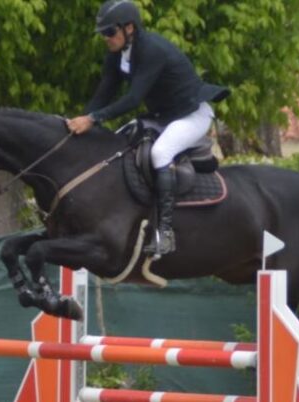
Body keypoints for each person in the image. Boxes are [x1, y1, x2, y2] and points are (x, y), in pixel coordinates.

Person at [67, 0, 229, 258]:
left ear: (129, 28)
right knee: (118, 141)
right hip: (163, 116)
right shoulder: (116, 55)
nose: (106, 38)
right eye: (103, 34)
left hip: (192, 114)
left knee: (160, 154)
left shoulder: (152, 50)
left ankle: (165, 234)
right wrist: (82, 119)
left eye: (110, 32)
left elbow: (132, 99)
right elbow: (105, 93)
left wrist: (94, 119)